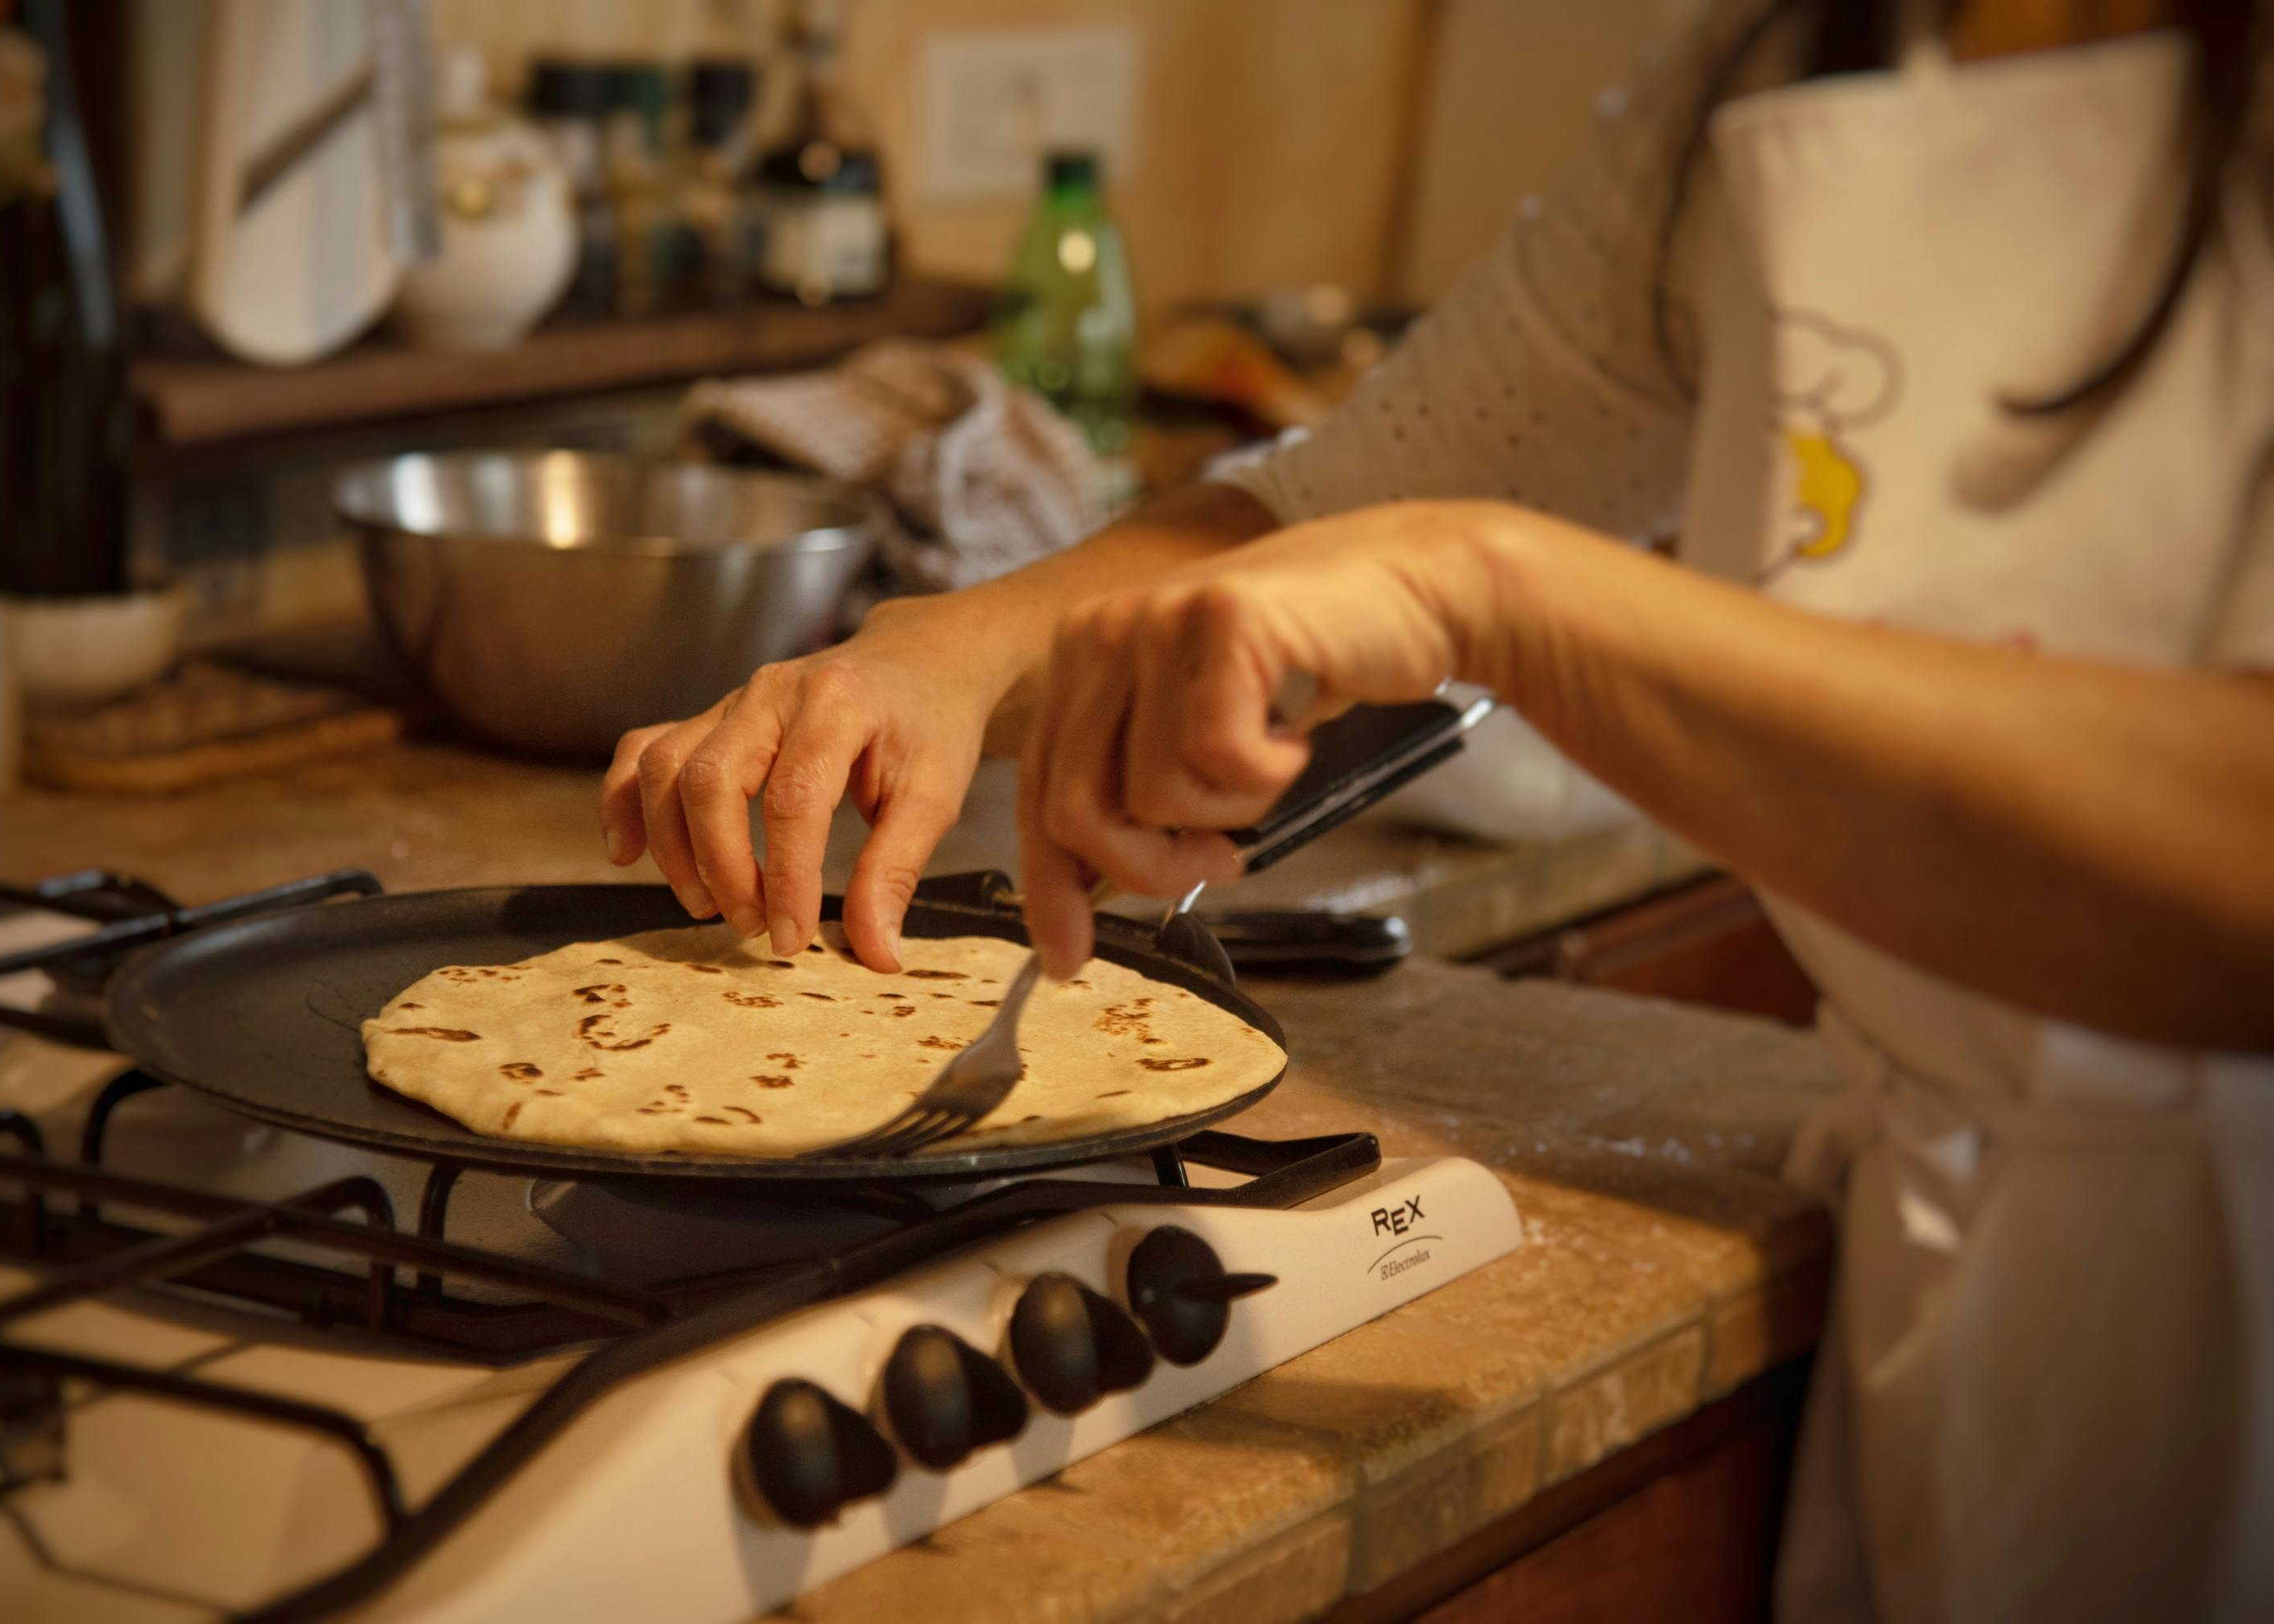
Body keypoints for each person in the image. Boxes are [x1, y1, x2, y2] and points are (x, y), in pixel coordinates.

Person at [600, 0, 2274, 1616]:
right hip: (1969, 1304)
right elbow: (1366, 491)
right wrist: (940, 654)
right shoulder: (1785, 58)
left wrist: (1500, 588)